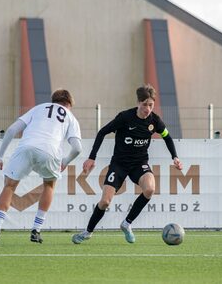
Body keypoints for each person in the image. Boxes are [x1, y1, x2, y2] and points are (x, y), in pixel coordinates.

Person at [72, 84, 182, 244]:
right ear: (138, 103)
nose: (148, 108)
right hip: (119, 164)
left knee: (150, 189)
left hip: (139, 164)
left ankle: (127, 223)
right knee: (105, 202)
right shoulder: (125, 117)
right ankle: (88, 232)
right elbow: (102, 132)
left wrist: (175, 157)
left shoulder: (155, 121)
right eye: (144, 104)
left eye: (151, 105)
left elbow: (167, 137)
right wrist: (91, 157)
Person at [0, 89, 82, 246]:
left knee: (9, 186)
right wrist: (65, 162)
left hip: (26, 147)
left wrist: (0, 156)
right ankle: (36, 230)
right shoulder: (70, 117)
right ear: (69, 104)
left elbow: (11, 130)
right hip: (50, 152)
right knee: (49, 185)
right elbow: (77, 148)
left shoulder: (39, 108)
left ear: (53, 101)